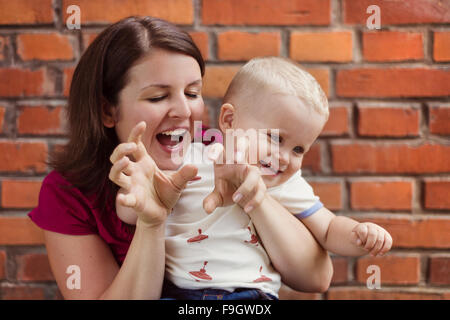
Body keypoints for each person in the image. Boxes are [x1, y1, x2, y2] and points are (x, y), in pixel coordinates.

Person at [27, 16, 333, 300]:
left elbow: (317, 277)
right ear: (108, 110)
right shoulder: (67, 193)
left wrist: (258, 199)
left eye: (192, 93)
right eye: (158, 97)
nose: (184, 113)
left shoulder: (226, 156)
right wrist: (152, 222)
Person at [113, 57, 393, 299]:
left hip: (249, 295)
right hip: (177, 294)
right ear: (230, 120)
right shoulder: (190, 160)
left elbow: (330, 229)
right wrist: (134, 198)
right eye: (275, 138)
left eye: (298, 149)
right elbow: (134, 211)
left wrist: (360, 235)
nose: (284, 157)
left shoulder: (285, 184)